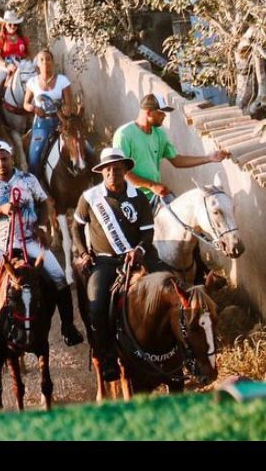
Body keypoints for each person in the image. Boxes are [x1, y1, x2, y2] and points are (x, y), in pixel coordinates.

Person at [0, 141, 83, 345]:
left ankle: (68, 327)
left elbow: (43, 203)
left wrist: (41, 227)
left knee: (59, 278)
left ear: (12, 158)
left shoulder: (28, 179)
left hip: (29, 239)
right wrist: (0, 209)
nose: (1, 163)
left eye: (4, 158)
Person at [71, 148, 167, 381]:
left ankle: (177, 352)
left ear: (125, 170)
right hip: (105, 261)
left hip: (138, 257)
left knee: (172, 287)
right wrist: (83, 253)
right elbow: (75, 227)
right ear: (102, 172)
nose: (112, 172)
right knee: (96, 306)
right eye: (108, 169)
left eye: (117, 168)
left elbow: (147, 232)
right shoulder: (90, 197)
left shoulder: (139, 197)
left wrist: (139, 251)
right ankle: (108, 358)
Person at [112, 94, 230, 201]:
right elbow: (122, 172)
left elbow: (177, 160)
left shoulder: (160, 134)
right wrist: (151, 185)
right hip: (131, 197)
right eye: (161, 113)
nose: (164, 116)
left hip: (155, 196)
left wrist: (208, 158)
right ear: (148, 112)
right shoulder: (124, 135)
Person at [22, 49, 74, 180]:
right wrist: (34, 109)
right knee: (34, 157)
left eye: (48, 59)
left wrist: (66, 109)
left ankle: (93, 181)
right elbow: (25, 104)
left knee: (87, 149)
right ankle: (36, 187)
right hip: (42, 124)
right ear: (37, 64)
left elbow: (69, 103)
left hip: (61, 122)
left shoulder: (63, 80)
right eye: (42, 60)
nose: (45, 62)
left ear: (53, 62)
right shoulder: (32, 82)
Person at [0, 10, 30, 104]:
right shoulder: (0, 39)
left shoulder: (23, 39)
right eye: (10, 24)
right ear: (5, 24)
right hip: (4, 65)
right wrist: (7, 65)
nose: (13, 27)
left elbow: (29, 54)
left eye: (15, 24)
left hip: (21, 64)